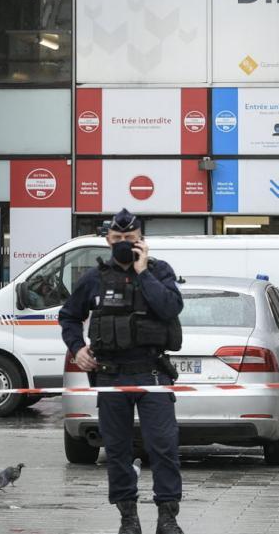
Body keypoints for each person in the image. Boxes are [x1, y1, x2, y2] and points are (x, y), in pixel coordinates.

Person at [58, 209, 185, 534]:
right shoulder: (95, 278)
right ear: (107, 240)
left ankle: (167, 518)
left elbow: (170, 308)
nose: (124, 244)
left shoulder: (160, 272)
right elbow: (69, 316)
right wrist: (77, 348)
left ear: (141, 240)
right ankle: (128, 517)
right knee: (116, 450)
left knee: (164, 446)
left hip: (152, 373)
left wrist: (143, 273)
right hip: (111, 375)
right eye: (118, 240)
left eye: (130, 239)